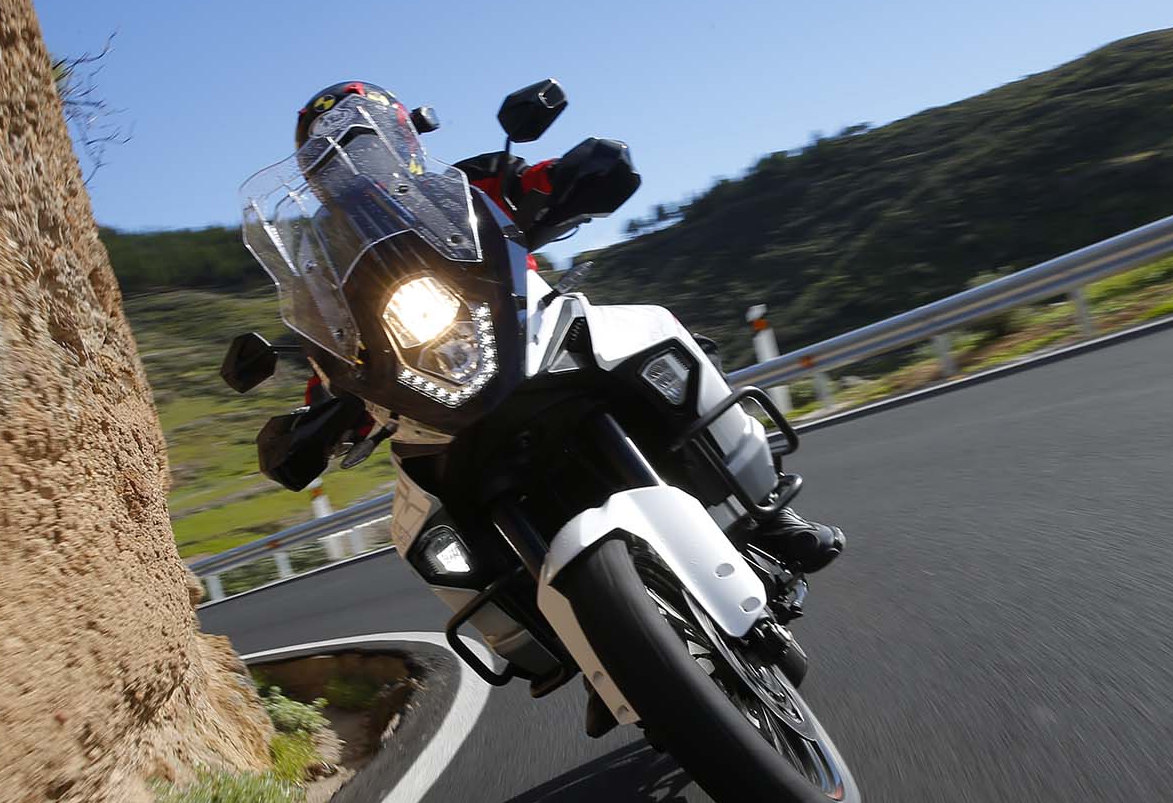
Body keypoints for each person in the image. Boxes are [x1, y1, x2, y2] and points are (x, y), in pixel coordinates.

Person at [258, 81, 844, 574]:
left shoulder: (460, 186)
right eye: (333, 150)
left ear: (401, 136)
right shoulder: (321, 265)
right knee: (427, 524)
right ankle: (551, 635)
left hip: (527, 332)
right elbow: (334, 358)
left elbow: (537, 183)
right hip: (432, 397)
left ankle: (769, 514)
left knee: (653, 337)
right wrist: (315, 421)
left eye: (362, 137)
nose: (352, 155)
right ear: (314, 171)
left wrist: (575, 177)